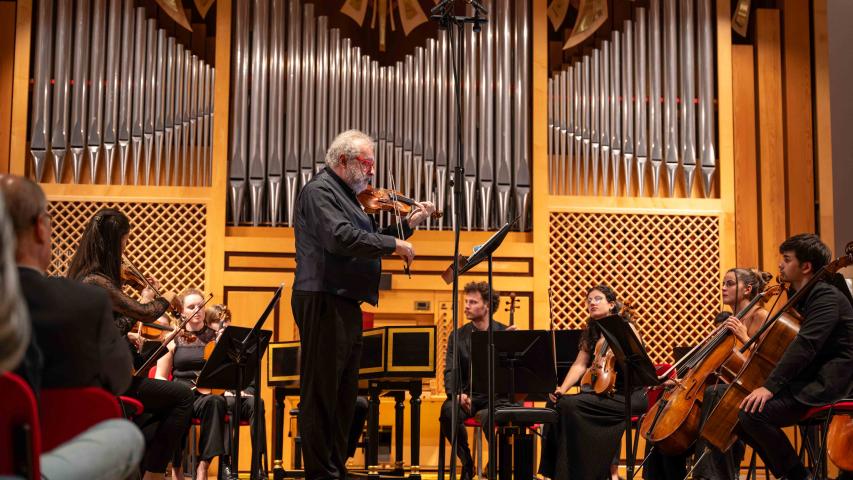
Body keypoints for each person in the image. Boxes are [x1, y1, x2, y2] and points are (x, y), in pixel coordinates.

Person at [291, 129, 435, 480]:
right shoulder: (320, 191)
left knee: (344, 396)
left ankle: (335, 468)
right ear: (344, 160)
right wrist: (393, 245)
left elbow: (367, 239)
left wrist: (406, 227)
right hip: (323, 298)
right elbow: (340, 238)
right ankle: (320, 474)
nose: (372, 171)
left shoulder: (349, 197)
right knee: (321, 394)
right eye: (367, 163)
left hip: (345, 302)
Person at [0, 174, 145, 480]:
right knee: (126, 436)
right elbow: (120, 380)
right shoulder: (85, 302)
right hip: (41, 463)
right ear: (40, 228)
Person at [66, 207, 194, 480]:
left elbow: (112, 328)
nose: (124, 253)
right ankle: (153, 475)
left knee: (162, 410)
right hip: (104, 382)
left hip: (105, 376)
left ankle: (142, 470)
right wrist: (164, 296)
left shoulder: (89, 277)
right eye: (123, 244)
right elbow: (145, 313)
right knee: (183, 397)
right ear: (113, 243)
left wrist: (142, 330)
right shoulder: (96, 282)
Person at [737, 234, 853, 480]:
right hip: (807, 379)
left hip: (829, 383)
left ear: (806, 266)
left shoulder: (826, 297)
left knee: (751, 413)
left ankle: (798, 476)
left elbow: (805, 346)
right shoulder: (801, 297)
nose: (780, 264)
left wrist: (769, 387)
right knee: (739, 412)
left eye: (787, 259)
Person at [644, 267, 773, 480]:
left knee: (710, 402)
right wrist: (681, 381)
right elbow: (710, 369)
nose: (723, 288)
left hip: (743, 396)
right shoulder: (731, 320)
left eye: (730, 283)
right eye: (723, 283)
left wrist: (744, 337)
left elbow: (765, 367)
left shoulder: (760, 316)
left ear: (748, 289)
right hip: (718, 393)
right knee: (661, 427)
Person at [538, 285, 648, 480]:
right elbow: (580, 364)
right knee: (555, 403)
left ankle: (586, 472)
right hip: (603, 393)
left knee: (571, 405)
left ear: (611, 304)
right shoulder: (592, 330)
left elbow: (638, 362)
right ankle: (559, 472)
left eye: (597, 299)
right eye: (589, 300)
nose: (592, 303)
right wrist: (561, 389)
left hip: (629, 394)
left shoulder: (626, 327)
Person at [440, 281, 514, 480]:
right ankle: (467, 462)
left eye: (473, 302)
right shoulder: (458, 336)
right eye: (466, 302)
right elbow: (450, 370)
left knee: (492, 417)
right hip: (468, 397)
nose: (466, 306)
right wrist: (457, 395)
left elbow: (513, 373)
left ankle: (494, 462)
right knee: (448, 412)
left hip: (495, 398)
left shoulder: (503, 332)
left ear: (487, 305)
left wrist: (513, 343)